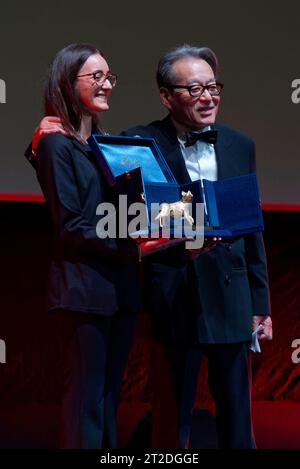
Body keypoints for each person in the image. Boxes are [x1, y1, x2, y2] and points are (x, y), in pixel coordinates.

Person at [27, 44, 272, 449]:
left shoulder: (238, 145)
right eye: (194, 89)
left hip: (225, 296)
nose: (207, 96)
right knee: (155, 415)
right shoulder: (135, 142)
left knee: (234, 416)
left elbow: (253, 229)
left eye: (212, 86)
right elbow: (113, 213)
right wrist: (152, 246)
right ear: (166, 95)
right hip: (160, 294)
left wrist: (261, 304)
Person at [28, 43, 143, 449]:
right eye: (96, 76)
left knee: (109, 400)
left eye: (109, 76)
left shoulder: (107, 146)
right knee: (86, 402)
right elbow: (72, 226)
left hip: (119, 291)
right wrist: (137, 247)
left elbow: (121, 214)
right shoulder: (56, 144)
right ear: (66, 80)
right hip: (82, 292)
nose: (107, 84)